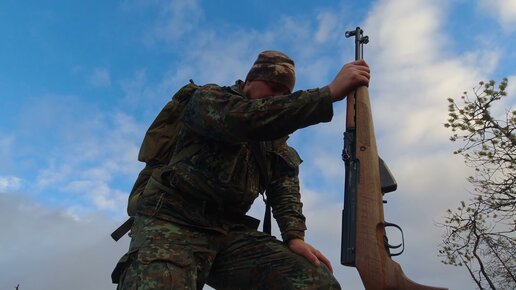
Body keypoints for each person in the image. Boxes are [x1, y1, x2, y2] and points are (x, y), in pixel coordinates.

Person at [112, 50, 370, 289]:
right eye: (272, 85)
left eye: (284, 92)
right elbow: (247, 119)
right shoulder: (209, 100)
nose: (277, 95)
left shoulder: (274, 142)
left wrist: (294, 237)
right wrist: (327, 94)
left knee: (315, 281)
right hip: (172, 221)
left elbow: (284, 189)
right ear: (249, 81)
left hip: (228, 233)